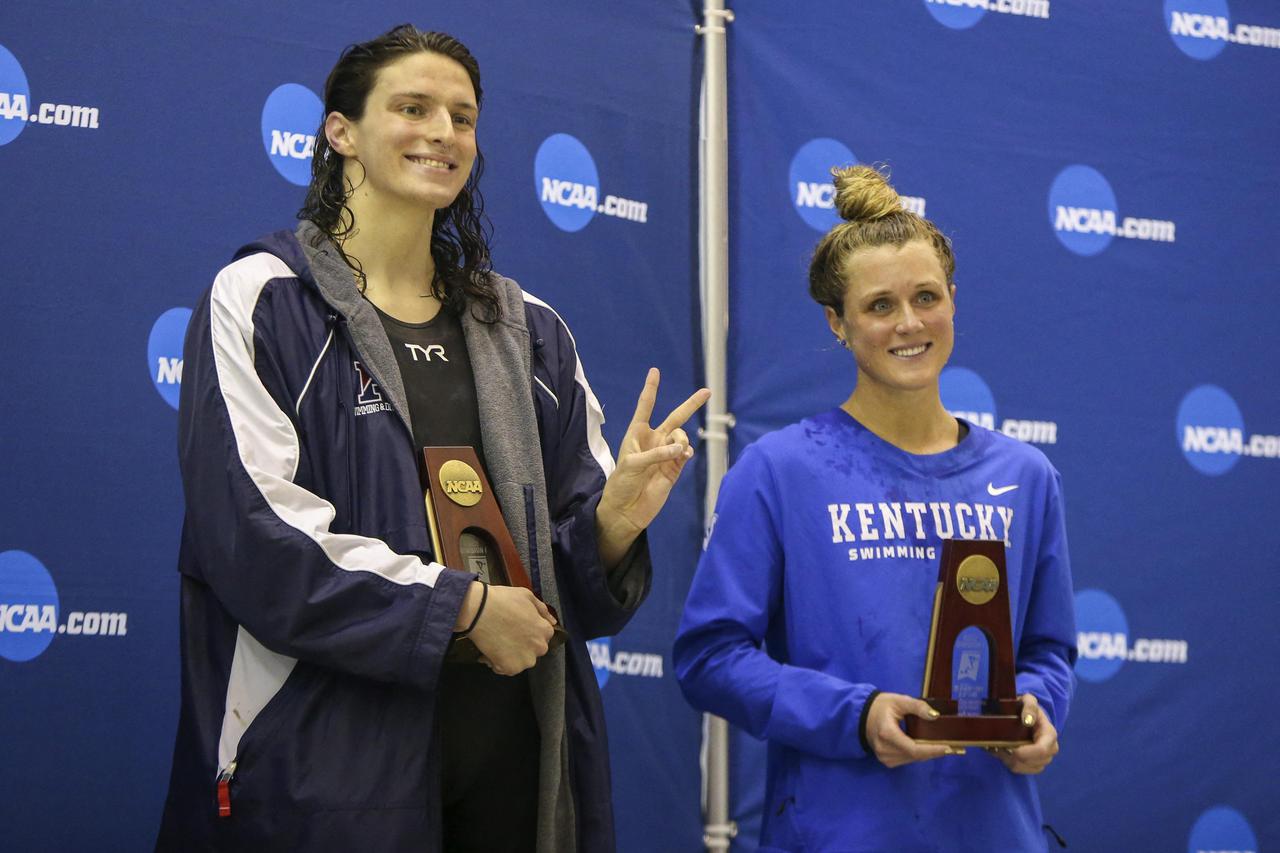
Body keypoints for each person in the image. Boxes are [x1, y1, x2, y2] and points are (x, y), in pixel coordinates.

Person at [157, 24, 708, 853]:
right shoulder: (264, 299)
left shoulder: (531, 332)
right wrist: (460, 609)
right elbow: (259, 538)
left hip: (516, 765)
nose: (443, 133)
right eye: (412, 108)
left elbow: (568, 596)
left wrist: (613, 525)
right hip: (328, 765)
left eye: (462, 116)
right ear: (342, 131)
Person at [673, 165, 1076, 852]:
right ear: (838, 323)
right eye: (880, 305)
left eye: (926, 296)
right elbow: (710, 656)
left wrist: (1035, 710)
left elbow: (1047, 649)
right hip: (837, 829)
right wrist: (855, 717)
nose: (909, 323)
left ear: (954, 300)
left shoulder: (1026, 475)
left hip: (992, 826)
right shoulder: (778, 470)